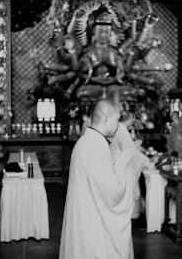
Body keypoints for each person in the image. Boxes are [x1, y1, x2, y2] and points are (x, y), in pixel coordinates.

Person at [59, 99, 136, 259]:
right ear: (106, 119)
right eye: (117, 120)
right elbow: (112, 194)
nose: (119, 125)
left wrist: (115, 166)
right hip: (92, 227)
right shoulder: (94, 147)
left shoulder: (88, 142)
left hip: (86, 218)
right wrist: (121, 166)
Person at [110, 110, 150, 221]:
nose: (133, 121)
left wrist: (134, 145)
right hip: (124, 165)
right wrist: (146, 161)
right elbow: (130, 151)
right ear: (128, 118)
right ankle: (131, 216)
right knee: (130, 188)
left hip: (118, 161)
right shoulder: (121, 129)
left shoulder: (120, 128)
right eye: (132, 119)